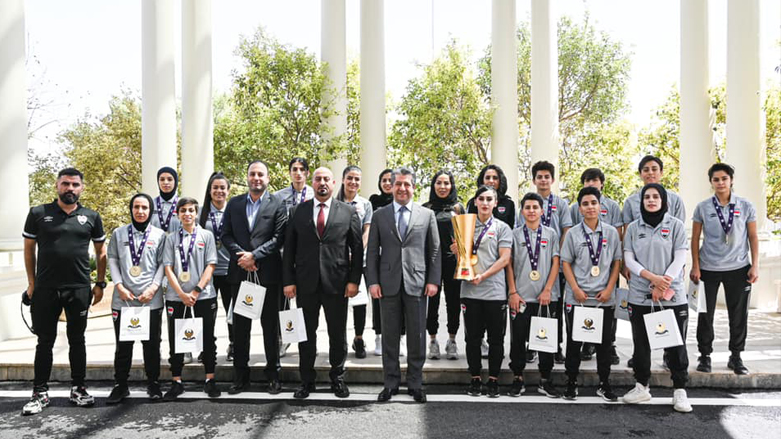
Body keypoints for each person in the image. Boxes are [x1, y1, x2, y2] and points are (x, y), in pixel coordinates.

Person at [21, 168, 107, 416]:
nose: (70, 188)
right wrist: (31, 283)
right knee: (44, 341)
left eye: (75, 184)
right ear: (57, 185)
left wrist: (99, 284)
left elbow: (101, 253)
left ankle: (79, 389)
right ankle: (40, 393)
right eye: (66, 184)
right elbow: (29, 250)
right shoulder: (38, 213)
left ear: (82, 188)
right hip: (45, 289)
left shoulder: (91, 216)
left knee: (77, 340)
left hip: (79, 289)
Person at [283, 167, 363, 399]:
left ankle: (337, 378)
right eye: (318, 179)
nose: (322, 183)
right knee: (305, 334)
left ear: (334, 182)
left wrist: (354, 281)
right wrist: (288, 281)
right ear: (312, 182)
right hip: (305, 284)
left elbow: (356, 249)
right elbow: (289, 249)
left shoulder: (348, 212)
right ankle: (306, 381)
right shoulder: (298, 211)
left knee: (337, 334)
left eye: (326, 179)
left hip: (337, 285)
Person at [366, 167, 441, 403]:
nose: (402, 188)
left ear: (413, 187)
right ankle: (390, 383)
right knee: (389, 337)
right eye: (397, 184)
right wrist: (373, 281)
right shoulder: (380, 215)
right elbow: (372, 253)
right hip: (387, 284)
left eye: (407, 184)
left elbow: (435, 250)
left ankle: (415, 383)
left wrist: (433, 280)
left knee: (417, 337)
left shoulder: (426, 215)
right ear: (391, 185)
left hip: (417, 283)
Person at [622, 183, 692, 413]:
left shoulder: (676, 226)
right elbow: (629, 260)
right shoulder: (633, 228)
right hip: (641, 295)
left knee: (675, 343)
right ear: (641, 201)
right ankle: (641, 386)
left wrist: (664, 282)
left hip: (672, 295)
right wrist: (652, 279)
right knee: (641, 343)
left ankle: (679, 391)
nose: (651, 200)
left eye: (655, 197)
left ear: (663, 200)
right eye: (647, 197)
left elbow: (681, 256)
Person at [221, 160, 286, 395]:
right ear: (247, 177)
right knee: (241, 329)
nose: (256, 178)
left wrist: (254, 256)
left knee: (270, 328)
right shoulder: (234, 203)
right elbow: (225, 234)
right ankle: (240, 376)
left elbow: (279, 237)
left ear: (268, 178)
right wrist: (242, 256)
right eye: (252, 174)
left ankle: (273, 375)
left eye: (261, 174)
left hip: (267, 274)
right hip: (240, 274)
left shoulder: (278, 203)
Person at [691, 163, 759, 375]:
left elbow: (753, 236)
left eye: (724, 179)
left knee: (738, 314)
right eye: (716, 179)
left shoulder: (746, 206)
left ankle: (736, 356)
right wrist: (695, 265)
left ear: (731, 180)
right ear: (711, 182)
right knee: (705, 313)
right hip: (708, 268)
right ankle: (705, 355)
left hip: (739, 268)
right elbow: (695, 238)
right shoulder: (703, 207)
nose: (720, 183)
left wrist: (755, 265)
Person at [560, 187, 621, 402]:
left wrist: (609, 289)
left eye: (593, 203)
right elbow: (565, 262)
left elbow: (616, 262)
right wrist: (575, 288)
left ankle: (604, 383)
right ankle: (571, 382)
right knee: (575, 342)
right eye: (585, 204)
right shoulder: (573, 234)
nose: (590, 207)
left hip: (603, 298)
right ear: (580, 208)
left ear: (600, 205)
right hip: (578, 297)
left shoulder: (612, 232)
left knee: (604, 343)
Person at [106, 194, 167, 404]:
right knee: (123, 345)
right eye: (136, 207)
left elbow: (163, 264)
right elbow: (112, 259)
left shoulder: (160, 235)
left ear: (150, 211)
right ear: (131, 209)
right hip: (124, 299)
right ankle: (120, 385)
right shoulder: (119, 233)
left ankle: (154, 383)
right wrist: (119, 286)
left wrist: (153, 288)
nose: (140, 211)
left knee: (151, 345)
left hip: (150, 299)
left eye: (144, 207)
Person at [453, 185, 512, 398]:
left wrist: (484, 276)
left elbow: (505, 258)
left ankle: (494, 380)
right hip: (469, 291)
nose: (485, 203)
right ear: (475, 202)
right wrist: (457, 250)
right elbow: (463, 256)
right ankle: (475, 378)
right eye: (481, 199)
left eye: (489, 199)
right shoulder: (465, 225)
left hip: (494, 292)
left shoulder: (502, 228)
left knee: (496, 338)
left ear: (495, 203)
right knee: (472, 339)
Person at [162, 197, 220, 400]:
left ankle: (210, 379)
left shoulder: (207, 236)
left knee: (207, 339)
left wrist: (195, 291)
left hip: (203, 296)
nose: (187, 214)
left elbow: (211, 265)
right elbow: (167, 267)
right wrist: (181, 294)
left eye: (191, 210)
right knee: (177, 338)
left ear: (196, 213)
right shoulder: (170, 239)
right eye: (183, 210)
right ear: (177, 214)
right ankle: (176, 380)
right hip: (176, 297)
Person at [506, 193, 561, 398]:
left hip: (545, 297)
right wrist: (512, 292)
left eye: (535, 207)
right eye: (527, 207)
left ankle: (545, 379)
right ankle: (517, 378)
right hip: (520, 297)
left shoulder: (551, 234)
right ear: (522, 211)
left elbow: (556, 263)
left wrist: (548, 289)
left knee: (545, 340)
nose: (531, 211)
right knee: (518, 339)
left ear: (542, 210)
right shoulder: (514, 234)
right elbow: (509, 265)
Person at [519, 160, 572, 365]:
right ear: (534, 180)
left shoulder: (561, 204)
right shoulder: (526, 204)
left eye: (546, 177)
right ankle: (532, 346)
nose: (543, 180)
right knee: (532, 305)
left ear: (552, 179)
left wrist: (554, 252)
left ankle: (556, 346)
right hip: (532, 263)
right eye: (539, 177)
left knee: (553, 307)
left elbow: (566, 229)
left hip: (554, 261)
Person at [570, 168, 623, 364]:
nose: (591, 184)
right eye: (587, 181)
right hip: (584, 264)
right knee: (584, 306)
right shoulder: (576, 207)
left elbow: (618, 234)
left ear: (602, 184)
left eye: (595, 181)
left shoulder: (613, 206)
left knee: (608, 306)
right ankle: (586, 342)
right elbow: (574, 233)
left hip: (607, 264)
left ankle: (610, 345)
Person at [422, 170, 465, 360]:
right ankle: (432, 340)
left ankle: (452, 340)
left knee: (453, 301)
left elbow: (465, 237)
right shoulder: (426, 208)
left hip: (453, 263)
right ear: (433, 185)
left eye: (446, 183)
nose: (442, 187)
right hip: (431, 262)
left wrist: (461, 248)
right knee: (431, 302)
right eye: (438, 183)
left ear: (451, 185)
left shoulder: (458, 208)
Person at [275, 157, 315, 358]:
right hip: (284, 255)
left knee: (306, 302)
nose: (298, 173)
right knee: (284, 301)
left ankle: (306, 341)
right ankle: (286, 339)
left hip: (307, 257)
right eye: (294, 169)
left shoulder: (314, 195)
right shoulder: (278, 197)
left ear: (307, 173)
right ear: (289, 172)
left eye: (302, 169)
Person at [335, 166, 374, 359]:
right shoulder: (334, 203)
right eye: (350, 178)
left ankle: (359, 339)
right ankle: (339, 340)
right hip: (338, 260)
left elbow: (367, 230)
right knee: (337, 303)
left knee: (359, 302)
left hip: (360, 261)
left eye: (357, 179)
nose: (353, 182)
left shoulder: (366, 204)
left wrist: (358, 252)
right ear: (343, 180)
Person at [199, 172, 233, 361]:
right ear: (210, 191)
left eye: (222, 188)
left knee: (231, 312)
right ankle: (207, 348)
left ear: (228, 191)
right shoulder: (200, 214)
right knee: (207, 313)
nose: (219, 191)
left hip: (229, 271)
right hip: (208, 273)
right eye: (215, 188)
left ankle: (233, 344)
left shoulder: (233, 211)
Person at [367, 168, 395, 356]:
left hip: (397, 258)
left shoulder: (401, 202)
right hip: (379, 257)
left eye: (390, 180)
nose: (387, 184)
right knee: (378, 300)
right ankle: (378, 336)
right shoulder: (373, 202)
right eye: (384, 180)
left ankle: (399, 337)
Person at [467, 164, 516, 229]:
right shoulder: (473, 203)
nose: (491, 181)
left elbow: (514, 228)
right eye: (487, 178)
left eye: (495, 178)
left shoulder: (509, 204)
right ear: (482, 180)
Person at [151, 166, 180, 234]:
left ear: (175, 181)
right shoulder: (150, 204)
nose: (166, 182)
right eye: (162, 179)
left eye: (169, 179)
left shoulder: (182, 204)